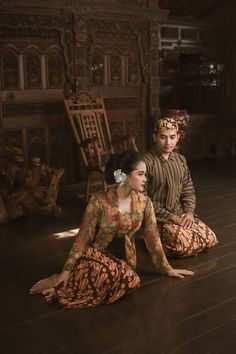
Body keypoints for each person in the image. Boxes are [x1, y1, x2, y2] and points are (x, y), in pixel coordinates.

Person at [30, 150, 193, 308]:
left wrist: (167, 269)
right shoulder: (99, 200)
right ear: (125, 175)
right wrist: (66, 270)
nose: (146, 178)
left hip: (125, 262)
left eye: (146, 174)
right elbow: (83, 238)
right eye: (141, 174)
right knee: (123, 278)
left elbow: (152, 238)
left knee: (130, 279)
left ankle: (70, 284)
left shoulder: (144, 202)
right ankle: (62, 284)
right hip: (97, 256)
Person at [143, 118, 218, 258]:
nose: (168, 142)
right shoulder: (146, 161)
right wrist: (172, 218)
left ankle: (183, 239)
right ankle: (151, 239)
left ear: (178, 137)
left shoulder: (180, 160)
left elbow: (188, 189)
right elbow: (142, 199)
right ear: (155, 137)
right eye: (163, 137)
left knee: (210, 238)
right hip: (158, 217)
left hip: (180, 214)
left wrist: (189, 213)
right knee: (180, 245)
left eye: (172, 137)